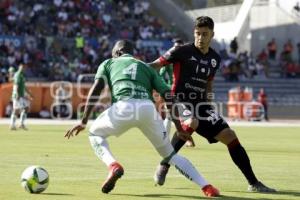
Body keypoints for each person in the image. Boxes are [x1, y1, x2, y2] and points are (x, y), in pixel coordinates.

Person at [64, 40, 220, 197]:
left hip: (123, 107)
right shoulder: (146, 67)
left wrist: (83, 121)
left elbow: (97, 88)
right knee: (170, 155)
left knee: (95, 134)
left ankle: (113, 166)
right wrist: (179, 129)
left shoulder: (109, 63)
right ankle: (207, 187)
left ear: (117, 52)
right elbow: (168, 97)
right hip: (147, 109)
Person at [149, 16, 276, 193]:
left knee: (230, 135)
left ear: (212, 35)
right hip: (179, 100)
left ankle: (253, 183)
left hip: (202, 105)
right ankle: (164, 164)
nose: (200, 37)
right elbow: (154, 65)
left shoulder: (215, 58)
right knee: (192, 121)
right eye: (197, 34)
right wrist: (136, 67)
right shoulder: (181, 51)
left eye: (205, 34)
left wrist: (208, 103)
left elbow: (209, 82)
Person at [157, 38, 195, 147]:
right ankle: (181, 139)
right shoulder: (169, 61)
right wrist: (164, 89)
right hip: (172, 91)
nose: (177, 49)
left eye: (179, 47)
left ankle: (168, 139)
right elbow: (160, 75)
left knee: (176, 116)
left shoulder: (187, 60)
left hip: (185, 92)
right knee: (175, 116)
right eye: (175, 47)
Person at [10, 64, 33, 130]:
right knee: (16, 110)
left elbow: (24, 87)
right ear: (19, 67)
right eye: (22, 67)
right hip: (17, 95)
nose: (23, 69)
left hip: (21, 95)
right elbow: (16, 84)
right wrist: (17, 94)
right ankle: (12, 124)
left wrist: (29, 94)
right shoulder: (18, 75)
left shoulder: (22, 75)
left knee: (26, 108)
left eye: (24, 68)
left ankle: (21, 124)